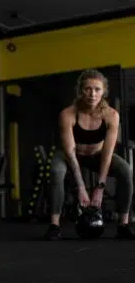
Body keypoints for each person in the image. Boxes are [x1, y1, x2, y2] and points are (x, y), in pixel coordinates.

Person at [44, 69, 135, 241]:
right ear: (80, 91)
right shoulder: (68, 114)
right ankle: (54, 225)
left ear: (104, 92)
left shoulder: (111, 116)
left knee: (125, 170)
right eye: (87, 89)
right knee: (56, 171)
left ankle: (123, 224)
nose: (92, 94)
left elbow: (107, 154)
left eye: (97, 89)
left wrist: (100, 188)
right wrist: (81, 187)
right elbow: (70, 152)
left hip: (97, 154)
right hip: (70, 155)